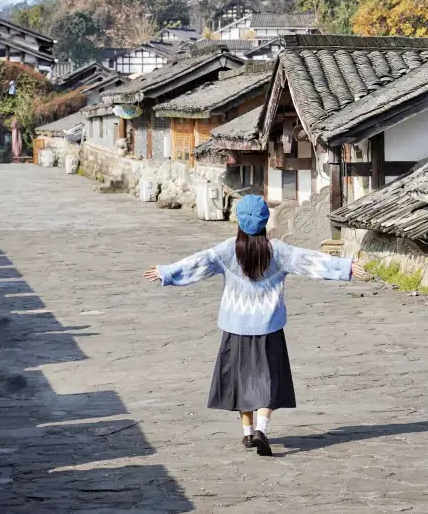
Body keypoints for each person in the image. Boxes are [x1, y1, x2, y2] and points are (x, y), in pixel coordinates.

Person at [144, 194, 367, 456]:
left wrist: (167, 272)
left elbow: (199, 262)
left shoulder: (228, 250)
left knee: (241, 381)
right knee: (267, 380)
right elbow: (310, 261)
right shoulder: (278, 251)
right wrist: (345, 267)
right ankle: (262, 429)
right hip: (268, 328)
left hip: (235, 327)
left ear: (239, 221)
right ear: (265, 222)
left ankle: (248, 434)